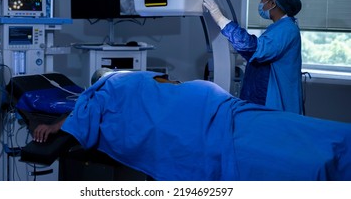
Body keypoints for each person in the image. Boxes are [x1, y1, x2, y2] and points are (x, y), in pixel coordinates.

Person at [30, 69, 351, 181]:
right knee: (289, 128)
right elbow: (174, 85)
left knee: (270, 144)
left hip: (200, 114)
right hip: (209, 100)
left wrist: (60, 124)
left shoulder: (104, 89)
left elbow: (81, 116)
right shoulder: (132, 81)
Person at [202, 0, 303, 114]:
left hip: (276, 106)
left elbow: (254, 48)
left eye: (262, 0)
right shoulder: (278, 27)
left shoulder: (286, 29)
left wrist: (221, 19)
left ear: (272, 2)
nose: (260, 4)